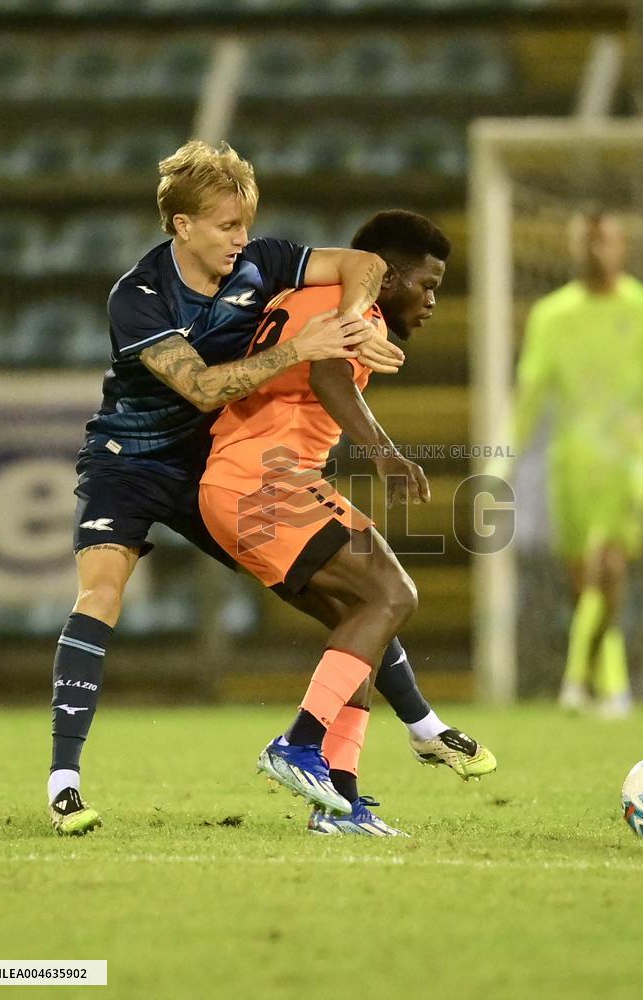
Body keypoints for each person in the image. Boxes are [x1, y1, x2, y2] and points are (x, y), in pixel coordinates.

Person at [48, 139, 405, 835]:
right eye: (226, 227)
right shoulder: (139, 295)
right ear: (182, 226)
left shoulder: (263, 260)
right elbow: (204, 389)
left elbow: (366, 263)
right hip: (127, 461)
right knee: (100, 593)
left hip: (209, 471)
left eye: (245, 223)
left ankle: (347, 785)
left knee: (351, 602)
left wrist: (356, 319)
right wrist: (301, 348)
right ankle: (65, 780)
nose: (242, 240)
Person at [200, 211, 497, 836]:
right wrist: (384, 450)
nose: (434, 301)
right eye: (428, 284)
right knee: (392, 594)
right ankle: (298, 743)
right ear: (386, 279)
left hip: (239, 485)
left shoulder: (311, 296)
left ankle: (338, 800)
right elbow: (329, 371)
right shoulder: (354, 310)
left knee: (361, 623)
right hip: (266, 480)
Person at [512, 207, 643, 717]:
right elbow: (530, 394)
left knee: (608, 566)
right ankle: (612, 688)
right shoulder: (553, 314)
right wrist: (503, 458)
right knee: (584, 584)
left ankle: (574, 679)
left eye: (606, 240)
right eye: (589, 241)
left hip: (629, 462)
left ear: (622, 247)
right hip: (572, 466)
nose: (597, 250)